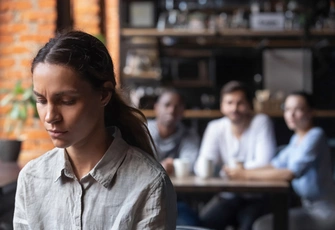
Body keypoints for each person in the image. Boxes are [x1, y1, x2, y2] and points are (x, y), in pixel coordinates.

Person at [13, 31, 177, 229]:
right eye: (41, 100)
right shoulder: (32, 178)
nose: (50, 117)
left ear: (104, 95)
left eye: (66, 101)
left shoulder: (149, 183)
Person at [225, 91, 335, 230]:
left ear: (311, 112)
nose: (291, 115)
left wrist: (245, 175)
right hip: (308, 208)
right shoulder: (296, 139)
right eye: (287, 109)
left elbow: (290, 173)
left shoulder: (315, 135)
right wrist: (242, 170)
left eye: (298, 109)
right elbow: (274, 165)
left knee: (262, 225)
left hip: (325, 213)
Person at [194, 81, 276, 230]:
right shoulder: (215, 127)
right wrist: (237, 170)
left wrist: (229, 170)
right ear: (222, 106)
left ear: (249, 105)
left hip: (256, 197)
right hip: (227, 196)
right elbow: (202, 165)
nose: (234, 108)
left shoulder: (261, 121)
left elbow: (266, 162)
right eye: (229, 102)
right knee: (201, 226)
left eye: (240, 103)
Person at [147, 88, 200, 226]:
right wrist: (162, 167)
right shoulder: (142, 131)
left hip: (178, 199)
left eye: (177, 107)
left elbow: (191, 164)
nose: (172, 110)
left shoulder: (189, 135)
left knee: (189, 224)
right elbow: (138, 164)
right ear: (156, 108)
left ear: (183, 111)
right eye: (167, 105)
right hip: (145, 198)